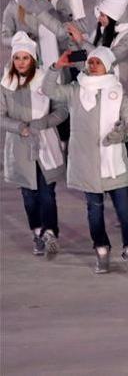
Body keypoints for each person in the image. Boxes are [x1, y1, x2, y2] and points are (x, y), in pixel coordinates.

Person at [44, 47, 128, 274]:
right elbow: (48, 89)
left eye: (98, 62)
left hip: (113, 165)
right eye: (91, 61)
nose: (93, 65)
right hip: (87, 164)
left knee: (124, 211)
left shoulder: (117, 92)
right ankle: (101, 249)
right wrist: (56, 66)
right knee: (94, 211)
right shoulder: (76, 90)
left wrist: (123, 135)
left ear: (107, 66)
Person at [1, 33, 67, 258]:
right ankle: (37, 230)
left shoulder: (45, 80)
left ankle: (50, 233)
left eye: (25, 58)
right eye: (17, 58)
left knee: (47, 192)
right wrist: (19, 127)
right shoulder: (5, 84)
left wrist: (43, 123)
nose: (20, 62)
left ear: (33, 59)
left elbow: (62, 109)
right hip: (20, 146)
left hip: (45, 143)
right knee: (29, 195)